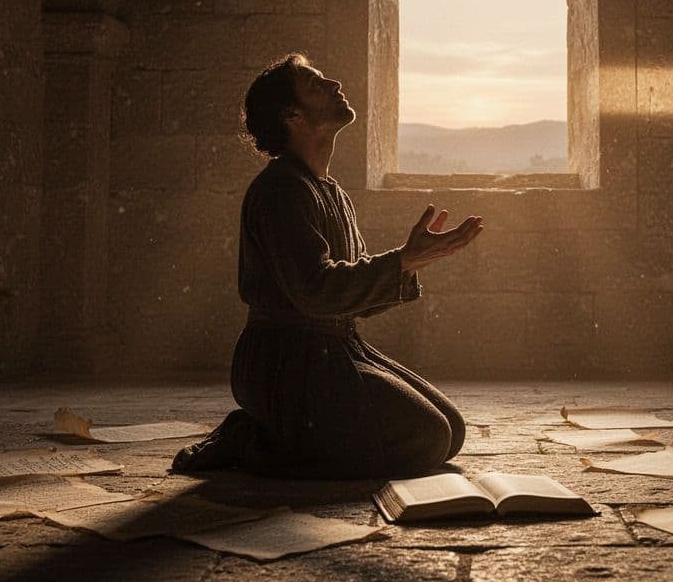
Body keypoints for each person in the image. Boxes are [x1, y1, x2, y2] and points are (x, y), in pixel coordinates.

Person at [172, 53, 484, 479]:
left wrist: (410, 264)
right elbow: (316, 291)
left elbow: (349, 299)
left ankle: (289, 431)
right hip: (286, 361)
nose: (335, 83)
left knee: (452, 431)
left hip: (334, 347)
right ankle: (255, 439)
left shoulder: (329, 191)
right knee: (425, 439)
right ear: (293, 117)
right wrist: (403, 260)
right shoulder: (282, 189)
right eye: (316, 84)